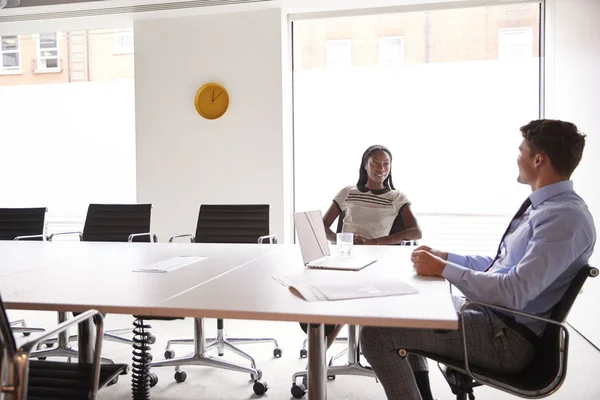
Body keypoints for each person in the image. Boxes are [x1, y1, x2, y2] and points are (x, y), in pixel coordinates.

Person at [360, 119, 596, 400]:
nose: (517, 158)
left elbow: (513, 292)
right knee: (405, 305)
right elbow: (502, 267)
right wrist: (446, 258)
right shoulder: (548, 208)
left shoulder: (564, 218)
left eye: (521, 151)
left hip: (506, 338)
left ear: (538, 159)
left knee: (375, 334)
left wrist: (445, 270)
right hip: (493, 318)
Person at [300, 144, 423, 348]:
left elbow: (415, 231)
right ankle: (317, 360)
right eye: (375, 162)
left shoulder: (396, 197)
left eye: (386, 164)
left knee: (343, 298)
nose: (381, 168)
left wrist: (371, 242)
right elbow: (322, 227)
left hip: (377, 261)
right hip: (346, 257)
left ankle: (317, 362)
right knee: (325, 293)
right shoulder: (348, 192)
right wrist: (341, 238)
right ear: (365, 165)